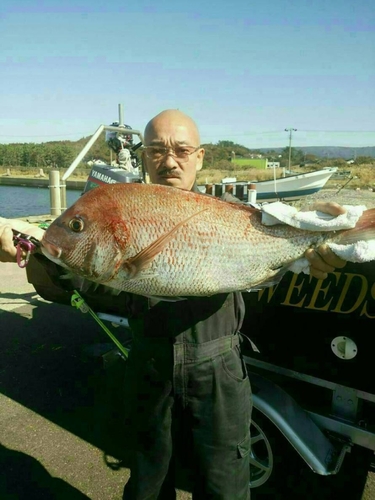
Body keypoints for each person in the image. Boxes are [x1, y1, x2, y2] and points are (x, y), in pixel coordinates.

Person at [0, 110, 347, 499]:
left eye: (182, 150)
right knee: (149, 482)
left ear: (200, 157)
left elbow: (274, 254)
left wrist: (312, 246)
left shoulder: (236, 212)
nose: (169, 161)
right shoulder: (127, 206)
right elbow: (80, 284)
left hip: (219, 372)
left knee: (225, 485)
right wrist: (35, 254)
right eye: (155, 150)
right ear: (144, 157)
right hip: (149, 367)